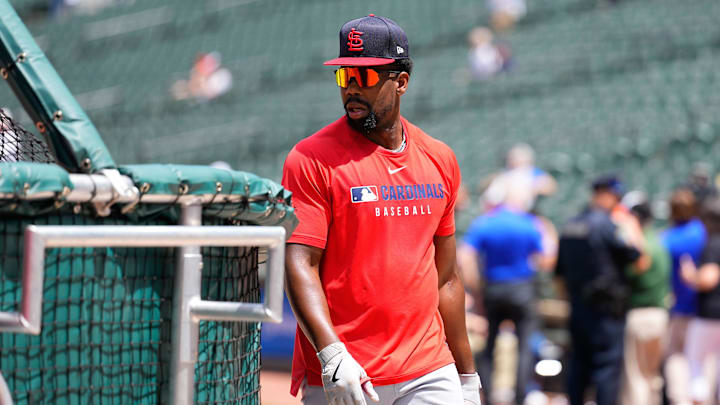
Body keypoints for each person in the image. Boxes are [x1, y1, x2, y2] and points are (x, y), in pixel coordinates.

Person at [281, 15, 481, 405]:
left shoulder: (439, 158)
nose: (352, 88)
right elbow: (299, 263)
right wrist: (331, 354)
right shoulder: (309, 158)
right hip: (345, 373)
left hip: (428, 368)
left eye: (366, 76)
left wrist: (467, 372)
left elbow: (447, 279)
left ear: (401, 82)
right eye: (344, 76)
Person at [554, 176, 645, 405]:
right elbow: (640, 261)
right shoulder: (608, 225)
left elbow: (559, 276)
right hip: (606, 311)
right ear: (607, 195)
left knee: (578, 367)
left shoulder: (570, 225)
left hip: (578, 307)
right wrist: (631, 227)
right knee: (607, 369)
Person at [459, 201, 555, 405]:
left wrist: (476, 288)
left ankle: (488, 395)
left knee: (489, 343)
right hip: (522, 288)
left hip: (494, 289)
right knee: (525, 346)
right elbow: (546, 258)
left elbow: (465, 256)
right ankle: (520, 397)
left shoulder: (485, 223)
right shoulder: (528, 223)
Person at [617, 192, 671, 405]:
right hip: (660, 317)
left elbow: (631, 275)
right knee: (652, 379)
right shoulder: (660, 242)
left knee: (636, 379)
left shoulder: (639, 248)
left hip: (639, 316)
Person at [662, 188, 707, 405]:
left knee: (676, 358)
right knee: (703, 362)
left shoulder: (666, 239)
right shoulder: (704, 232)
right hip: (705, 311)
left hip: (681, 309)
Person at [680, 196, 720, 405]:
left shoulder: (713, 243)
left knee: (696, 363)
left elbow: (709, 278)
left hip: (710, 316)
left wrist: (690, 276)